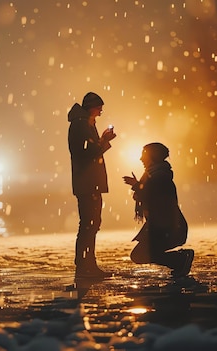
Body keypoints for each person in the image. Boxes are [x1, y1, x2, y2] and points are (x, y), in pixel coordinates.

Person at [123, 143, 194, 277]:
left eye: (144, 155)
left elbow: (152, 195)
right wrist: (138, 186)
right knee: (139, 255)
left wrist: (137, 186)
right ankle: (180, 260)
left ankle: (181, 259)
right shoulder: (153, 175)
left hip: (168, 228)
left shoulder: (160, 176)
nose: (141, 159)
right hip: (162, 227)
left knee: (139, 255)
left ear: (152, 156)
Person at [68, 92, 117, 278]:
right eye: (99, 108)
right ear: (91, 107)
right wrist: (104, 140)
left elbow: (89, 150)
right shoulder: (81, 125)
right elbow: (86, 153)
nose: (101, 111)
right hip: (87, 183)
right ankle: (84, 266)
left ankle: (87, 264)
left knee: (91, 223)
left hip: (88, 182)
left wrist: (102, 139)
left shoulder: (84, 124)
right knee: (89, 224)